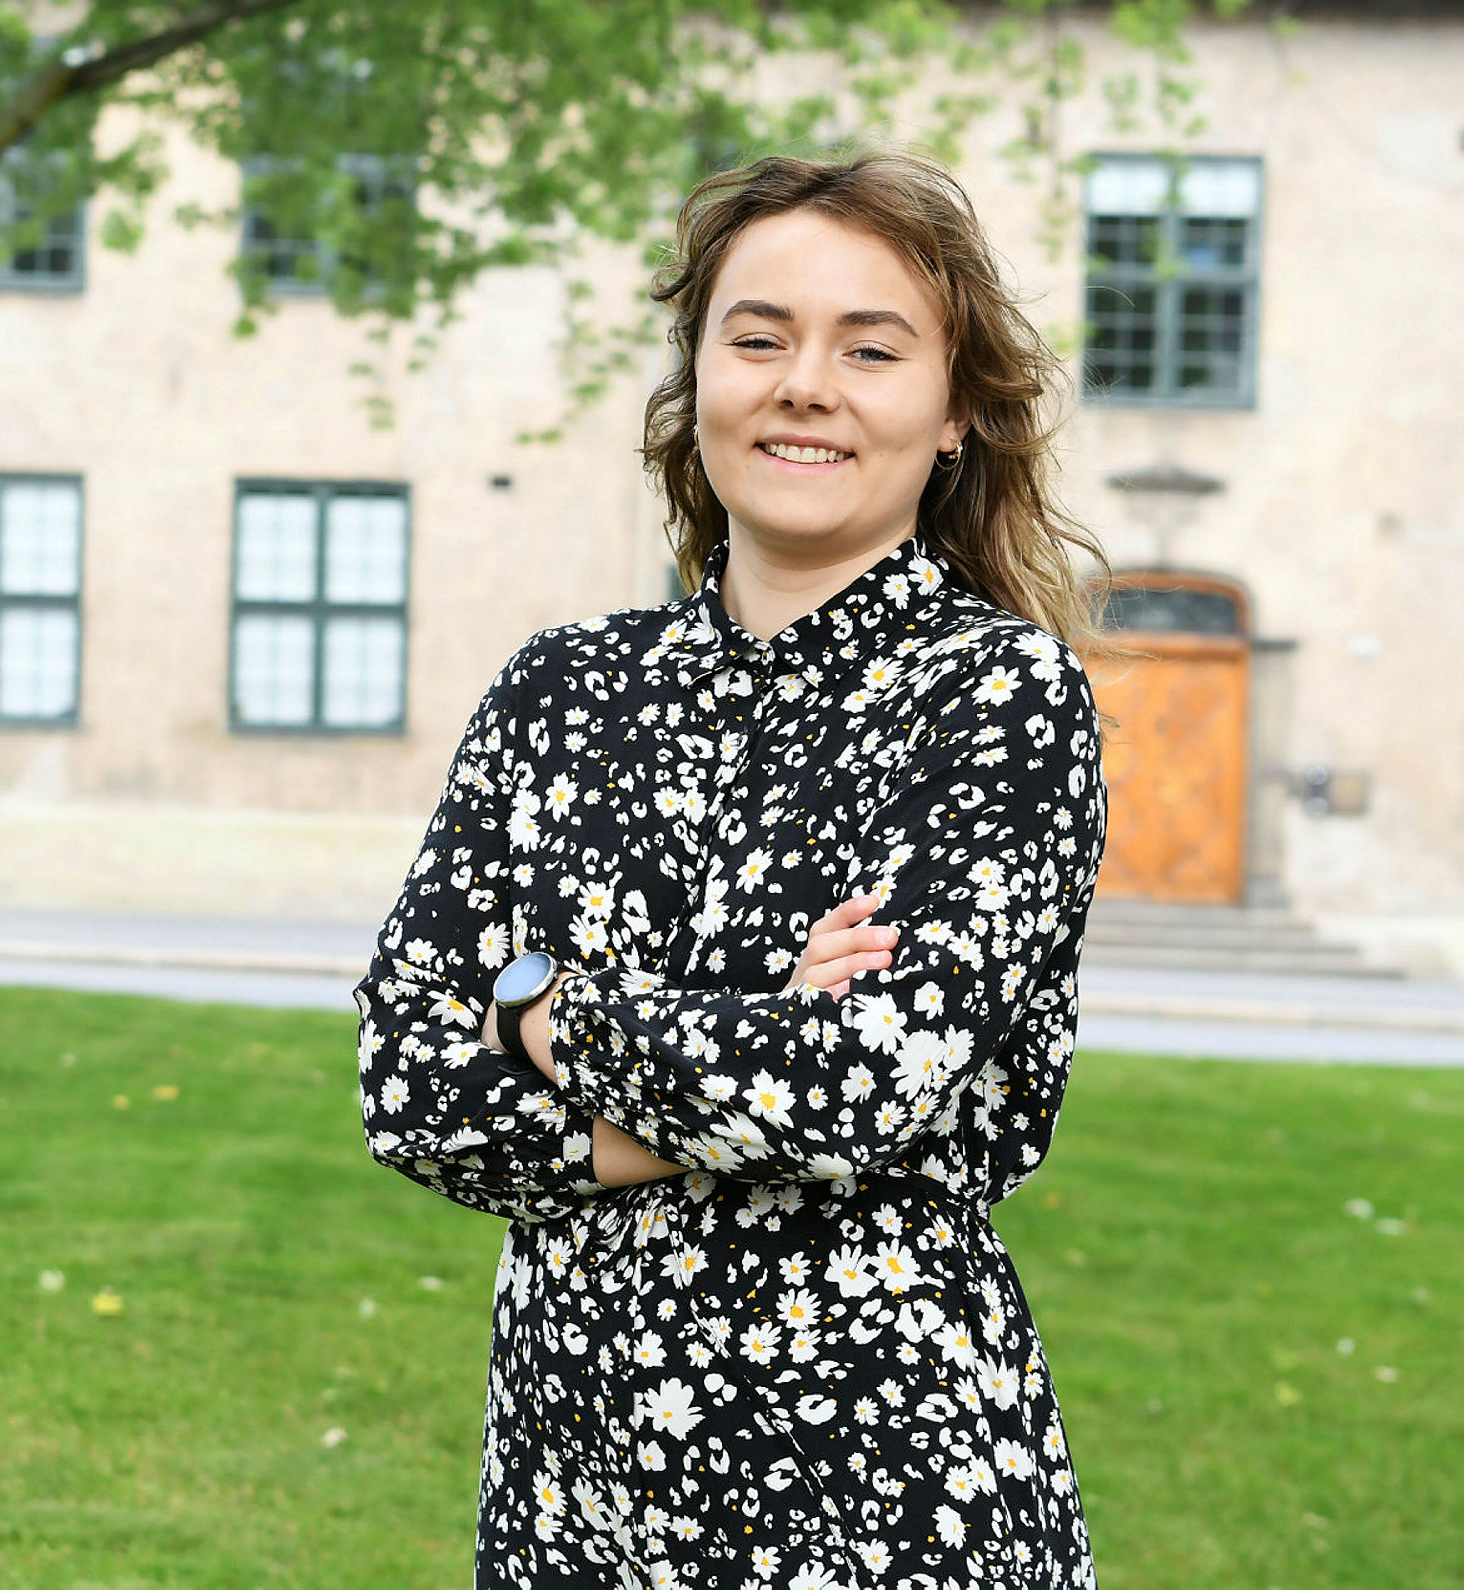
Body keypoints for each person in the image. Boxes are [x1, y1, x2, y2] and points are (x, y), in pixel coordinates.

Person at [353, 145, 1113, 1590]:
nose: (804, 385)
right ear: (697, 374)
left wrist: (538, 1010)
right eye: (757, 338)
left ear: (954, 410)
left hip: (881, 1497)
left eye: (869, 349)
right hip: (572, 1498)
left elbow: (859, 1087)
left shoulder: (996, 700)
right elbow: (406, 1085)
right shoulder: (560, 689)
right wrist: (763, 1025)